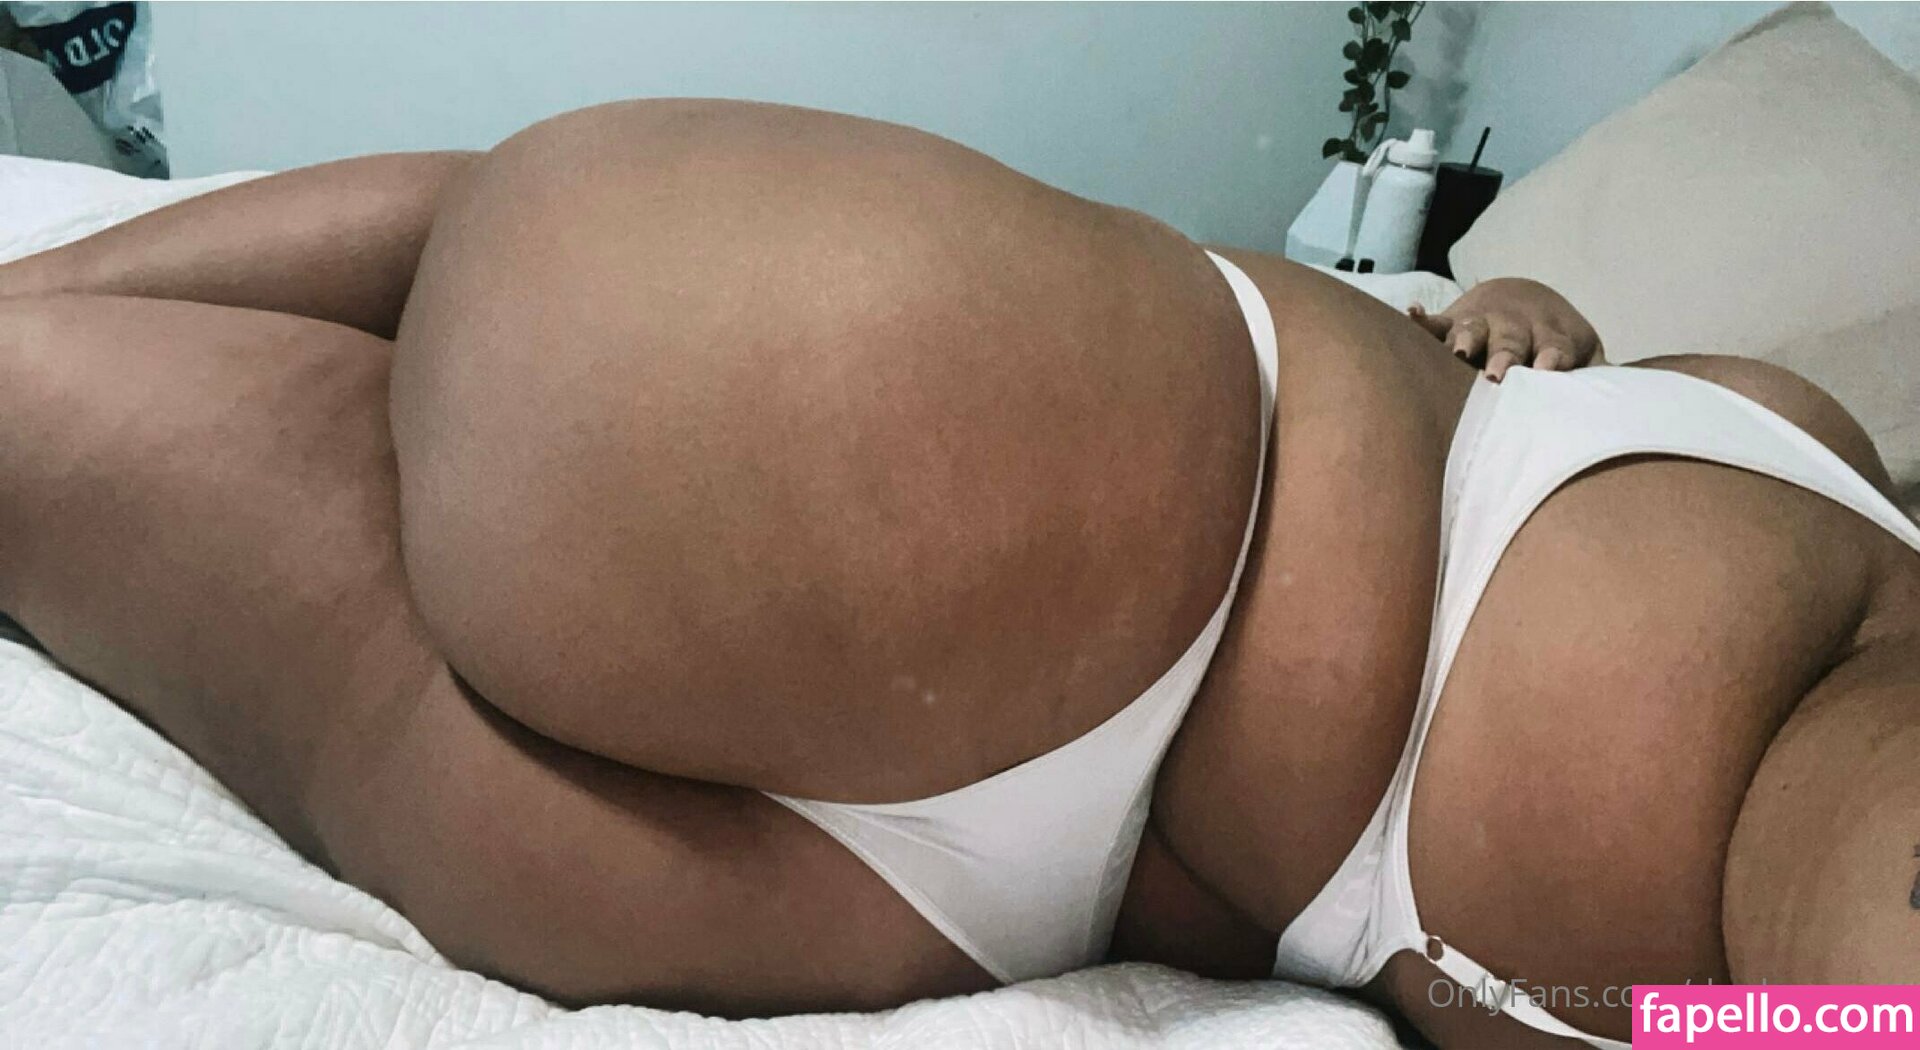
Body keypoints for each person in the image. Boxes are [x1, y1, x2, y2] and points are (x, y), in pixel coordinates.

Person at [0, 101, 1914, 1048]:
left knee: (483, 280)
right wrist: (1515, 304)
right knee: (439, 328)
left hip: (987, 770)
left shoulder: (1797, 524)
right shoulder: (1808, 463)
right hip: (1048, 609)